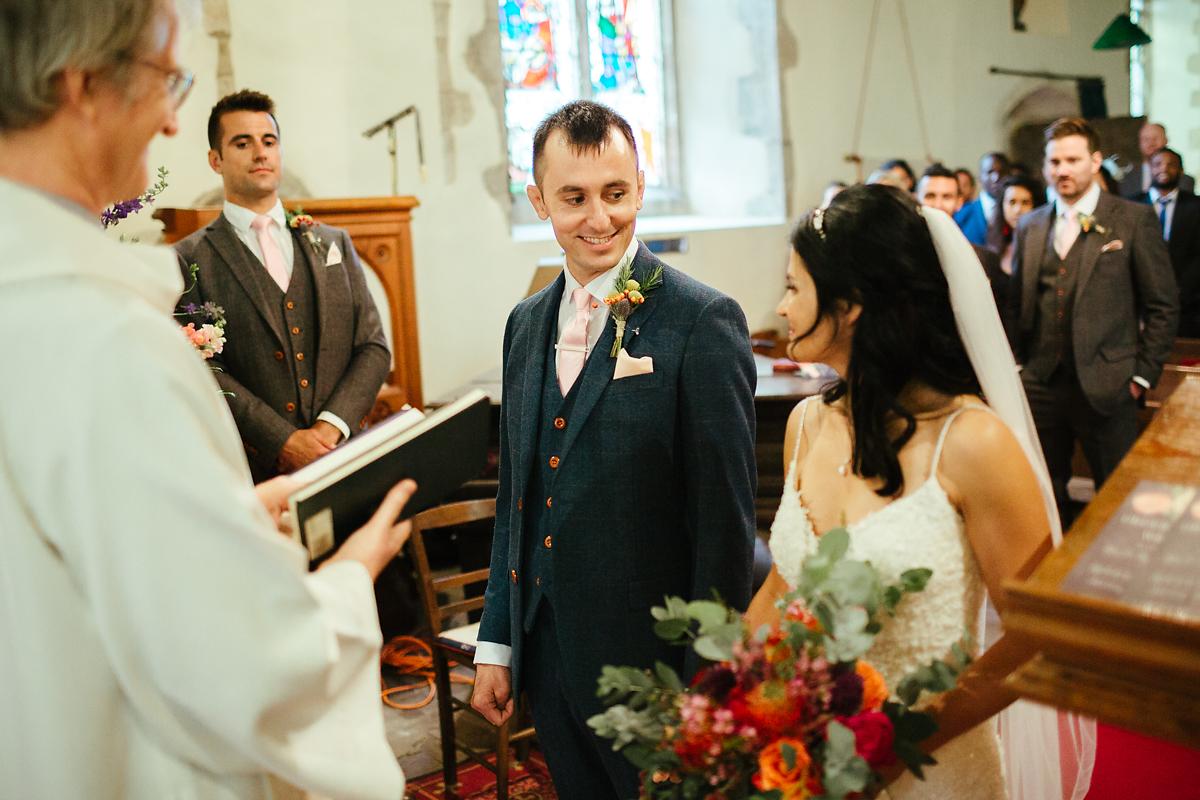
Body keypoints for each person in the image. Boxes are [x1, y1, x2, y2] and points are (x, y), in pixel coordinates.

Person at [0, 2, 418, 797]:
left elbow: (372, 341)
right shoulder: (125, 317)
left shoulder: (328, 244)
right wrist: (349, 578)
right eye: (167, 79)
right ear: (84, 85)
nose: (167, 121)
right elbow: (241, 663)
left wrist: (231, 505)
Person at [746, 183, 1094, 799]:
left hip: (932, 770)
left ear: (851, 305)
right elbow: (782, 585)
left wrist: (895, 745)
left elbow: (1041, 643)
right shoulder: (806, 426)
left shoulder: (973, 443)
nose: (780, 307)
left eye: (796, 287)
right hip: (809, 763)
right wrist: (719, 706)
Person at [470, 100, 757, 799]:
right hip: (548, 657)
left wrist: (705, 688)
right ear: (539, 200)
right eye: (574, 198)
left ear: (639, 186)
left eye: (616, 194)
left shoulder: (702, 321)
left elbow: (724, 528)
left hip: (654, 667)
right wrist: (498, 645)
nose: (598, 219)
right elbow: (518, 498)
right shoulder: (524, 323)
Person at [175, 89, 390, 483]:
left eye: (269, 141)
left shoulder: (332, 244)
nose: (260, 153)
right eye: (243, 143)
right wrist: (283, 442)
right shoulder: (190, 258)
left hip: (341, 457)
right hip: (253, 472)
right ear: (215, 160)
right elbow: (200, 369)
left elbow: (373, 347)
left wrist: (330, 428)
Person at [1010, 117, 1178, 515]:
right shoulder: (1031, 226)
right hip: (1040, 383)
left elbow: (1163, 304)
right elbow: (1017, 303)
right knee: (1041, 496)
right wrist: (1019, 365)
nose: (1062, 170)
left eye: (1072, 159)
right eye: (1054, 162)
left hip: (1108, 385)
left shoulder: (1132, 219)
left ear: (1095, 161)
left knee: (1116, 502)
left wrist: (1140, 377)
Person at [917, 164, 1009, 319]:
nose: (938, 205)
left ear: (959, 202)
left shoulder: (983, 260)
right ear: (916, 199)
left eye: (946, 197)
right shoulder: (902, 254)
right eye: (930, 196)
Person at [1136, 147, 1200, 336]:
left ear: (1180, 170)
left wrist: (1182, 289)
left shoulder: (1196, 206)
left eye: (1171, 164)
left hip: (1189, 303)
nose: (1164, 168)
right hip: (1142, 301)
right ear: (1150, 169)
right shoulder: (1132, 205)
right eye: (1157, 164)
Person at [986, 174, 1043, 277]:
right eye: (1012, 202)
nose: (1018, 210)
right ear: (1002, 205)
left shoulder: (1045, 245)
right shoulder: (994, 242)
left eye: (1025, 203)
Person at [1118, 122, 1195, 199]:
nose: (1151, 143)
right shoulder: (1125, 180)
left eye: (1155, 138)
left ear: (1166, 140)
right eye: (1146, 139)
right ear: (1139, 143)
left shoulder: (1185, 181)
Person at [955, 151, 1010, 246]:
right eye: (990, 172)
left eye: (1002, 172)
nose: (996, 178)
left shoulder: (1017, 213)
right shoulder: (962, 215)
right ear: (980, 177)